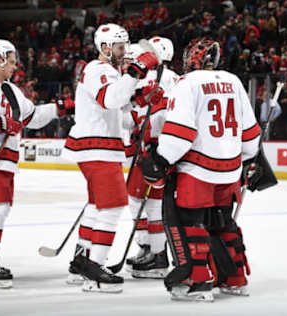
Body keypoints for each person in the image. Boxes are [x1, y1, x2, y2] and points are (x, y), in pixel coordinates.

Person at [141, 39, 264, 301]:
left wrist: (161, 160)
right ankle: (235, 278)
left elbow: (181, 134)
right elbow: (252, 134)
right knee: (223, 222)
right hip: (229, 170)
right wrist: (245, 159)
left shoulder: (187, 84)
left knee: (189, 222)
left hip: (196, 170)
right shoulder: (234, 81)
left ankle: (196, 281)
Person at [0, 39, 72, 289]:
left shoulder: (10, 89)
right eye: (10, 61)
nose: (14, 65)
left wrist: (58, 109)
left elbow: (32, 117)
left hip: (4, 158)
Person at [62, 23, 159, 293]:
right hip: (98, 150)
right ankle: (96, 269)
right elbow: (111, 100)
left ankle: (81, 263)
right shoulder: (98, 70)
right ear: (105, 48)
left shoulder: (108, 71)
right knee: (113, 206)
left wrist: (141, 97)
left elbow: (120, 106)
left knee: (96, 206)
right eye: (119, 46)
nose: (124, 51)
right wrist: (135, 74)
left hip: (98, 149)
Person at [125, 37, 180, 279]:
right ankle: (148, 247)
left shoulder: (166, 78)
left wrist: (148, 135)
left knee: (153, 202)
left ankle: (158, 256)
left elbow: (163, 114)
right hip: (150, 144)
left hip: (157, 147)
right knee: (138, 200)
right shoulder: (159, 77)